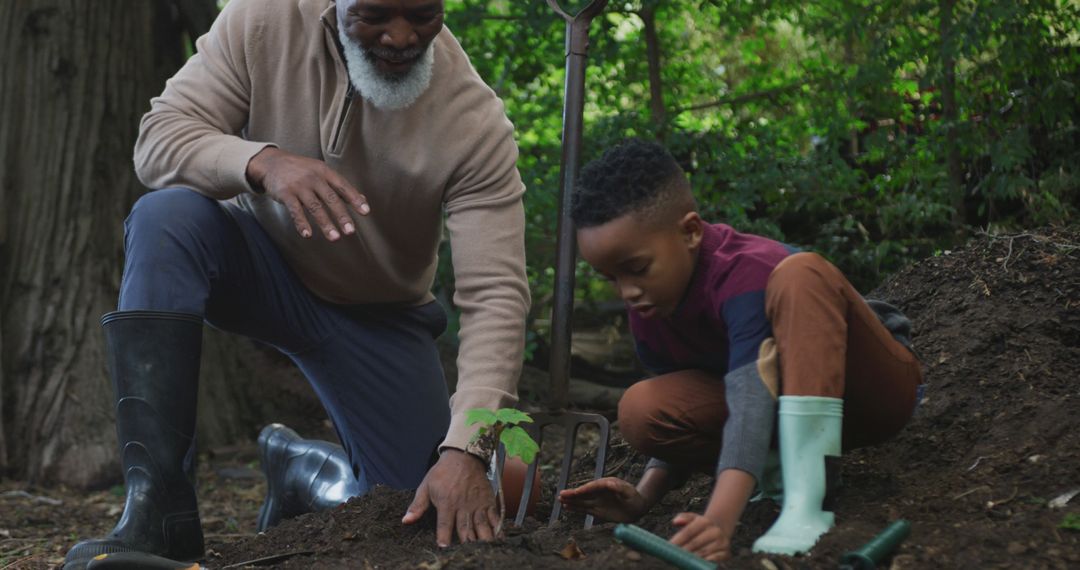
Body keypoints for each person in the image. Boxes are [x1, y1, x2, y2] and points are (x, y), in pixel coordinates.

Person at [63, 0, 531, 568]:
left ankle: (307, 472)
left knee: (413, 509)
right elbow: (159, 139)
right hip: (255, 263)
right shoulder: (262, 20)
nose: (402, 36)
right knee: (166, 218)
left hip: (377, 315)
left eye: (423, 15)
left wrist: (467, 449)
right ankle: (159, 513)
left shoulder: (473, 122)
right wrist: (264, 162)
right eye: (376, 15)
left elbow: (496, 297)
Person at [558, 139, 923, 562]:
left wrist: (720, 520)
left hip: (873, 391)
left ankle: (805, 501)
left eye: (637, 269)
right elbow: (696, 399)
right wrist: (643, 496)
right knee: (642, 407)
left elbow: (752, 394)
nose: (628, 292)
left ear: (691, 231)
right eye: (611, 279)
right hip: (784, 409)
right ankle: (786, 470)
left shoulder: (743, 273)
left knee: (800, 273)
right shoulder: (649, 311)